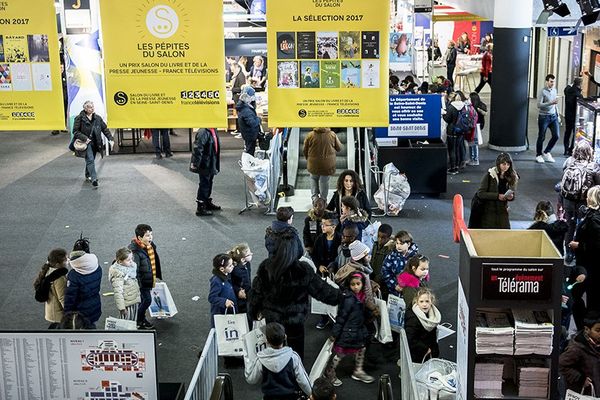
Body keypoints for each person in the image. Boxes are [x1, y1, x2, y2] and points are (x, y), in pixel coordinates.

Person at [250, 234, 341, 360]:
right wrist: (341, 297)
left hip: (273, 319)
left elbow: (256, 293)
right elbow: (322, 291)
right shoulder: (303, 270)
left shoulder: (266, 267)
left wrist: (253, 312)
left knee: (273, 350)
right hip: (295, 320)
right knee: (296, 352)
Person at [325, 272, 375, 386]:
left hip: (357, 331)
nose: (356, 287)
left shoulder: (362, 297)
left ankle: (358, 371)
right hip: (347, 332)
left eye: (358, 284)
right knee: (340, 353)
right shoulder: (348, 298)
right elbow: (341, 317)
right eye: (353, 284)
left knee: (361, 349)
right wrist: (335, 333)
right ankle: (330, 372)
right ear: (349, 285)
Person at [245, 322, 312, 398]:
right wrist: (311, 394)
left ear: (266, 340)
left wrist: (248, 360)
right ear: (285, 337)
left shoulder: (261, 360)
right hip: (290, 397)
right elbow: (303, 381)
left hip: (269, 397)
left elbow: (251, 379)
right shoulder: (293, 357)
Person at [561, 141, 600, 262]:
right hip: (584, 201)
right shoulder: (593, 166)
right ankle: (578, 251)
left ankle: (568, 253)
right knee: (582, 227)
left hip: (568, 200)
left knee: (569, 225)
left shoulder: (569, 161)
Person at [569, 186, 600, 325]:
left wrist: (579, 245)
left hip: (591, 266)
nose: (586, 198)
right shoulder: (591, 215)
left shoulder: (594, 220)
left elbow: (597, 246)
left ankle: (586, 327)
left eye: (588, 196)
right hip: (588, 265)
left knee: (582, 297)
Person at [70, 101, 114, 187]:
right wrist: (85, 138)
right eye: (90, 107)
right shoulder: (79, 118)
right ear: (85, 109)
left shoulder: (98, 118)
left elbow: (105, 129)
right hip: (86, 142)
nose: (92, 108)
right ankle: (94, 178)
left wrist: (110, 139)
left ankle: (88, 174)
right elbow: (75, 131)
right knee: (90, 159)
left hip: (96, 142)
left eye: (93, 106)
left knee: (91, 159)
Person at [471, 152, 518, 229]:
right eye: (503, 164)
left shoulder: (512, 176)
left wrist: (511, 197)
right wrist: (497, 196)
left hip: (502, 210)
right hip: (489, 210)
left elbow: (512, 192)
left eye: (508, 164)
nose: (506, 166)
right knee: (490, 234)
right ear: (499, 164)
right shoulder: (490, 175)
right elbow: (481, 193)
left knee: (504, 234)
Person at [129, 224, 163, 330]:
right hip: (142, 282)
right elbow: (135, 271)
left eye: (151, 234)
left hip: (148, 279)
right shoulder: (135, 252)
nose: (151, 237)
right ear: (139, 238)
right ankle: (139, 320)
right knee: (147, 300)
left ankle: (141, 318)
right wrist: (138, 285)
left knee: (145, 300)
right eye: (148, 235)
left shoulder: (149, 246)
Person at [64, 236, 102, 328]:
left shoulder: (74, 275)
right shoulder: (97, 267)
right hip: (95, 306)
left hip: (80, 312)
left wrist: (66, 315)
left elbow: (70, 298)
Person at [559, 311, 600, 395]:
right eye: (598, 330)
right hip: (585, 392)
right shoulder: (576, 348)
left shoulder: (597, 343)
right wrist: (580, 378)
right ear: (587, 329)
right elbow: (560, 364)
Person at [313, 213, 342, 330]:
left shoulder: (340, 238)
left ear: (334, 227)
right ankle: (323, 317)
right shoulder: (319, 238)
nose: (322, 227)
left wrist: (333, 267)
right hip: (322, 272)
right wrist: (319, 265)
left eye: (325, 225)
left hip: (336, 272)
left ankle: (337, 318)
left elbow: (340, 256)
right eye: (322, 224)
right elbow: (314, 254)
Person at [303, 127, 342, 201]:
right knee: (324, 181)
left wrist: (307, 158)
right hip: (327, 164)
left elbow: (305, 149)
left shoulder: (310, 135)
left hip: (313, 164)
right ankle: (323, 200)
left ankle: (314, 199)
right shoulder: (332, 135)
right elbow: (339, 148)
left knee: (313, 178)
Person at [404, 288, 441, 363]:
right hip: (417, 354)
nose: (424, 304)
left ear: (431, 302)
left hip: (429, 350)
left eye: (427, 301)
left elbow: (433, 336)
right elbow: (410, 339)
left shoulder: (432, 314)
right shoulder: (413, 319)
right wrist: (425, 349)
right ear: (416, 302)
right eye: (421, 302)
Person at [190, 128, 221, 216]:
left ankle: (206, 202)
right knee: (204, 183)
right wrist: (196, 163)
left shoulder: (213, 129)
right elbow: (197, 148)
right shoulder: (203, 131)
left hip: (211, 161)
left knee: (209, 182)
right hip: (204, 163)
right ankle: (200, 207)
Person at [33, 248, 68, 329]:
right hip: (58, 314)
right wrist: (69, 313)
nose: (68, 261)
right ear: (57, 264)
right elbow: (62, 297)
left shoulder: (48, 271)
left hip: (51, 311)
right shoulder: (59, 278)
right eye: (65, 260)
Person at [381, 231, 419, 298]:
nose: (398, 246)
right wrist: (394, 285)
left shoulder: (415, 258)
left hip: (410, 291)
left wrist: (406, 286)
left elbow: (418, 275)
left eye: (401, 244)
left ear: (408, 244)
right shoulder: (392, 255)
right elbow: (385, 270)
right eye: (397, 243)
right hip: (394, 290)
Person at [108, 247, 141, 321]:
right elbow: (118, 293)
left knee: (132, 321)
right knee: (126, 323)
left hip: (133, 301)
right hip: (126, 305)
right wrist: (122, 308)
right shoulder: (118, 275)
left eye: (131, 259)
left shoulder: (131, 268)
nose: (131, 261)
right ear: (120, 262)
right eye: (128, 260)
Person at [536, 74, 560, 164]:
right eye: (551, 81)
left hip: (553, 116)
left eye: (553, 81)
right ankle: (538, 155)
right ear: (547, 82)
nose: (552, 83)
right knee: (541, 136)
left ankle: (546, 152)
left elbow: (555, 104)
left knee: (556, 135)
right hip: (544, 117)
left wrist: (558, 115)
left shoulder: (554, 90)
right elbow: (539, 105)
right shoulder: (542, 91)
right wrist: (550, 103)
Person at [443, 91, 468, 174]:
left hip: (452, 130)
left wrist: (443, 114)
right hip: (461, 130)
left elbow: (447, 119)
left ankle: (452, 168)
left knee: (451, 150)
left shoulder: (451, 107)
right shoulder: (464, 106)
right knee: (457, 148)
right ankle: (457, 166)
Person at [208, 253, 237, 327]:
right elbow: (212, 297)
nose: (233, 266)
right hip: (221, 312)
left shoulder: (227, 275)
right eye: (230, 266)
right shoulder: (216, 281)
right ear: (222, 269)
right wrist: (224, 301)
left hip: (227, 310)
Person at [237, 85, 262, 156]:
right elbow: (252, 123)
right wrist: (258, 119)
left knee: (249, 149)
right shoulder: (246, 110)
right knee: (249, 152)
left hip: (248, 133)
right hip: (250, 134)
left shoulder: (243, 107)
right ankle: (248, 163)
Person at [229, 243, 253, 315]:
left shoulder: (247, 264)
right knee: (242, 311)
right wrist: (238, 291)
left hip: (247, 291)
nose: (252, 254)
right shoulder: (235, 270)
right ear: (242, 259)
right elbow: (231, 282)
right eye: (249, 254)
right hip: (240, 295)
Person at [370, 223, 394, 290]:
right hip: (372, 273)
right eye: (379, 236)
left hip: (382, 279)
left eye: (383, 237)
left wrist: (378, 278)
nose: (380, 239)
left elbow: (386, 267)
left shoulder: (390, 250)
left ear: (389, 238)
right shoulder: (375, 245)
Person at [563, 78, 583, 156]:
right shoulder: (579, 95)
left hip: (567, 115)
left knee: (567, 132)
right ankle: (571, 149)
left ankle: (565, 149)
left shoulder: (567, 90)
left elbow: (567, 87)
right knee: (575, 133)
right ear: (580, 84)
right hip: (574, 116)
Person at [467, 92, 487, 166]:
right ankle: (472, 158)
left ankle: (475, 159)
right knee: (472, 142)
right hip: (477, 125)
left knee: (474, 142)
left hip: (475, 126)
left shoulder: (474, 107)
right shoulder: (481, 105)